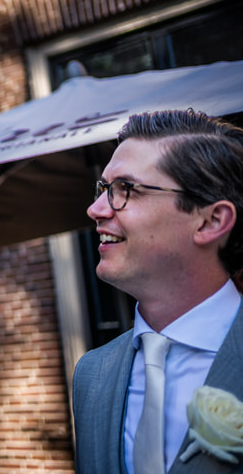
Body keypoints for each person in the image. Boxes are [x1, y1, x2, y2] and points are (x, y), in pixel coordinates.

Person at [72, 109, 243, 474]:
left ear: (211, 221)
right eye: (104, 189)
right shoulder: (91, 374)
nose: (95, 209)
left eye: (126, 189)